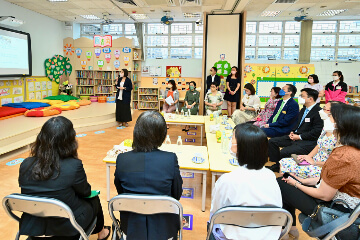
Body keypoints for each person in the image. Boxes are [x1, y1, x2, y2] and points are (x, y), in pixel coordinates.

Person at [18, 116, 110, 240]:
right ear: (69, 140)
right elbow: (85, 192)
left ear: (41, 138)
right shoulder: (73, 166)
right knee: (94, 199)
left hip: (35, 223)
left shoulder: (25, 164)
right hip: (67, 225)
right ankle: (102, 233)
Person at [277, 104, 360, 239]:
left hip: (337, 209)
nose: (327, 119)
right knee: (286, 179)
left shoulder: (343, 154)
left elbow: (324, 195)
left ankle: (286, 228)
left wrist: (297, 184)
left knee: (281, 183)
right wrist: (302, 180)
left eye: (331, 117)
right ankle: (288, 228)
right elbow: (331, 180)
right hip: (343, 200)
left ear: (343, 125)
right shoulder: (352, 149)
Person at [114, 111, 183, 240]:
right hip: (164, 227)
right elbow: (176, 194)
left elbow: (120, 192)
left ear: (137, 133)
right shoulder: (169, 159)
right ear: (162, 135)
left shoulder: (123, 159)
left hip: (131, 226)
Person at [209, 123, 282, 240]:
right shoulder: (271, 176)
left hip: (233, 236)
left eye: (232, 138)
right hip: (268, 236)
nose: (230, 141)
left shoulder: (227, 180)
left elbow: (216, 211)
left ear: (240, 147)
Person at [267, 88, 324, 173]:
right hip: (295, 136)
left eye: (302, 96)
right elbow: (297, 123)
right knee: (272, 142)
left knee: (284, 152)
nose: (299, 97)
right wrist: (292, 132)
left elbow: (316, 132)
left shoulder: (318, 112)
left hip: (307, 141)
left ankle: (282, 167)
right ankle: (277, 164)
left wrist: (299, 137)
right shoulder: (304, 109)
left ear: (310, 99)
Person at [279, 101, 338, 179]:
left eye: (324, 109)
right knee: (283, 162)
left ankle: (291, 186)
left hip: (324, 166)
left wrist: (315, 163)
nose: (321, 111)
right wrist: (308, 156)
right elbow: (319, 145)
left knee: (287, 170)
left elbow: (336, 163)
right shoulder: (326, 127)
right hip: (315, 159)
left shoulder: (340, 134)